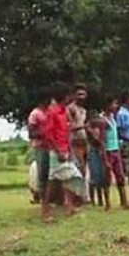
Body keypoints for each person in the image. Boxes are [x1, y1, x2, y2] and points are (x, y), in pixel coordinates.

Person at [41, 83, 85, 222]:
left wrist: (69, 150)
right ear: (65, 96)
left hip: (66, 150)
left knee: (70, 177)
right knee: (53, 181)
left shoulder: (63, 112)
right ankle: (45, 210)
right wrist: (58, 151)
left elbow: (66, 134)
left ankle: (69, 206)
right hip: (56, 152)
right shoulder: (53, 112)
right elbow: (48, 135)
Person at [102, 96, 129, 209]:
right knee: (108, 178)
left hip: (116, 150)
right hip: (108, 151)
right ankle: (107, 203)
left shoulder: (113, 118)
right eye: (114, 104)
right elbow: (102, 140)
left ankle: (124, 201)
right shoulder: (103, 121)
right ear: (108, 105)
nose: (116, 106)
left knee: (120, 176)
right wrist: (105, 157)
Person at [28, 89, 50, 204]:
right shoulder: (35, 114)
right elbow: (31, 133)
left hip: (49, 146)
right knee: (41, 173)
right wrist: (45, 133)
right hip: (40, 146)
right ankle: (40, 198)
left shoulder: (49, 113)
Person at [67, 83, 89, 188]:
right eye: (79, 94)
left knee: (84, 168)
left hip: (84, 141)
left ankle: (83, 193)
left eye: (83, 94)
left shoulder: (84, 110)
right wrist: (83, 126)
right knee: (78, 168)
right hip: (74, 141)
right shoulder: (70, 108)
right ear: (74, 95)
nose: (81, 97)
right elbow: (69, 127)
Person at [87, 114, 111, 210]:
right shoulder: (94, 131)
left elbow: (101, 144)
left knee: (103, 177)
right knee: (95, 177)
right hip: (95, 151)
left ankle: (105, 201)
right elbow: (98, 142)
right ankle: (95, 200)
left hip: (100, 151)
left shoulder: (102, 131)